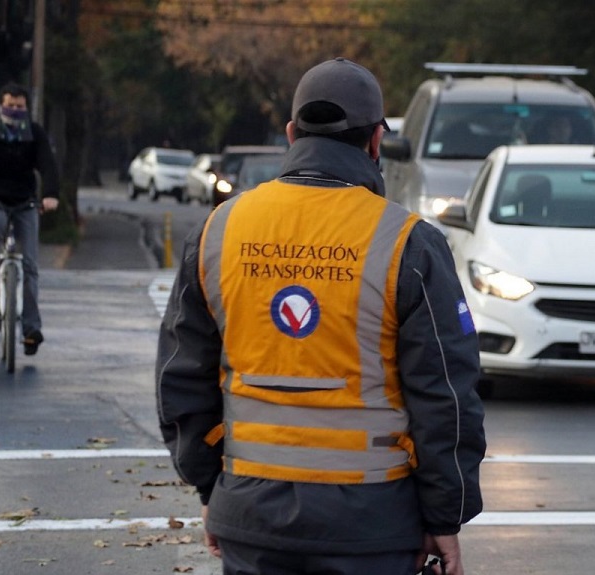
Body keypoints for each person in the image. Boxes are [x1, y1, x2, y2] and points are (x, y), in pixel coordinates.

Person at [155, 58, 486, 575]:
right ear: (376, 142)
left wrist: (210, 489)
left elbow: (182, 376)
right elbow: (445, 394)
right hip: (373, 523)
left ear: (292, 134)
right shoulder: (409, 244)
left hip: (251, 514)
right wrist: (445, 514)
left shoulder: (219, 231)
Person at [0, 82, 60, 356]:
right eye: (10, 105)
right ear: (1, 106)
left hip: (26, 203)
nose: (14, 110)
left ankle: (31, 329)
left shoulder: (34, 133)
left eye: (19, 106)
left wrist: (51, 194)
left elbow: (48, 164)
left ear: (26, 107)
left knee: (31, 266)